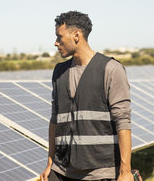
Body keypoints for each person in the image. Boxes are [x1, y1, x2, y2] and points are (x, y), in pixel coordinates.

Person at [40, 11, 133, 181]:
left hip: (100, 173)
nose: (55, 43)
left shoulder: (111, 69)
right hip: (61, 171)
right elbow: (55, 120)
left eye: (59, 37)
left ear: (76, 35)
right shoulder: (59, 72)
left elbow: (123, 121)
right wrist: (50, 162)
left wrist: (125, 172)